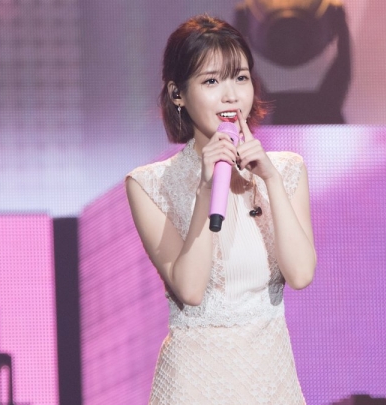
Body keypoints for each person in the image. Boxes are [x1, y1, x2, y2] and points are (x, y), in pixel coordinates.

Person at [126, 14, 316, 404]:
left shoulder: (286, 170)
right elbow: (190, 290)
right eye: (211, 81)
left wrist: (270, 181)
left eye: (241, 78)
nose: (231, 95)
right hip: (194, 385)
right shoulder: (150, 184)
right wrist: (205, 191)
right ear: (178, 94)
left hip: (270, 383)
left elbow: (300, 274)